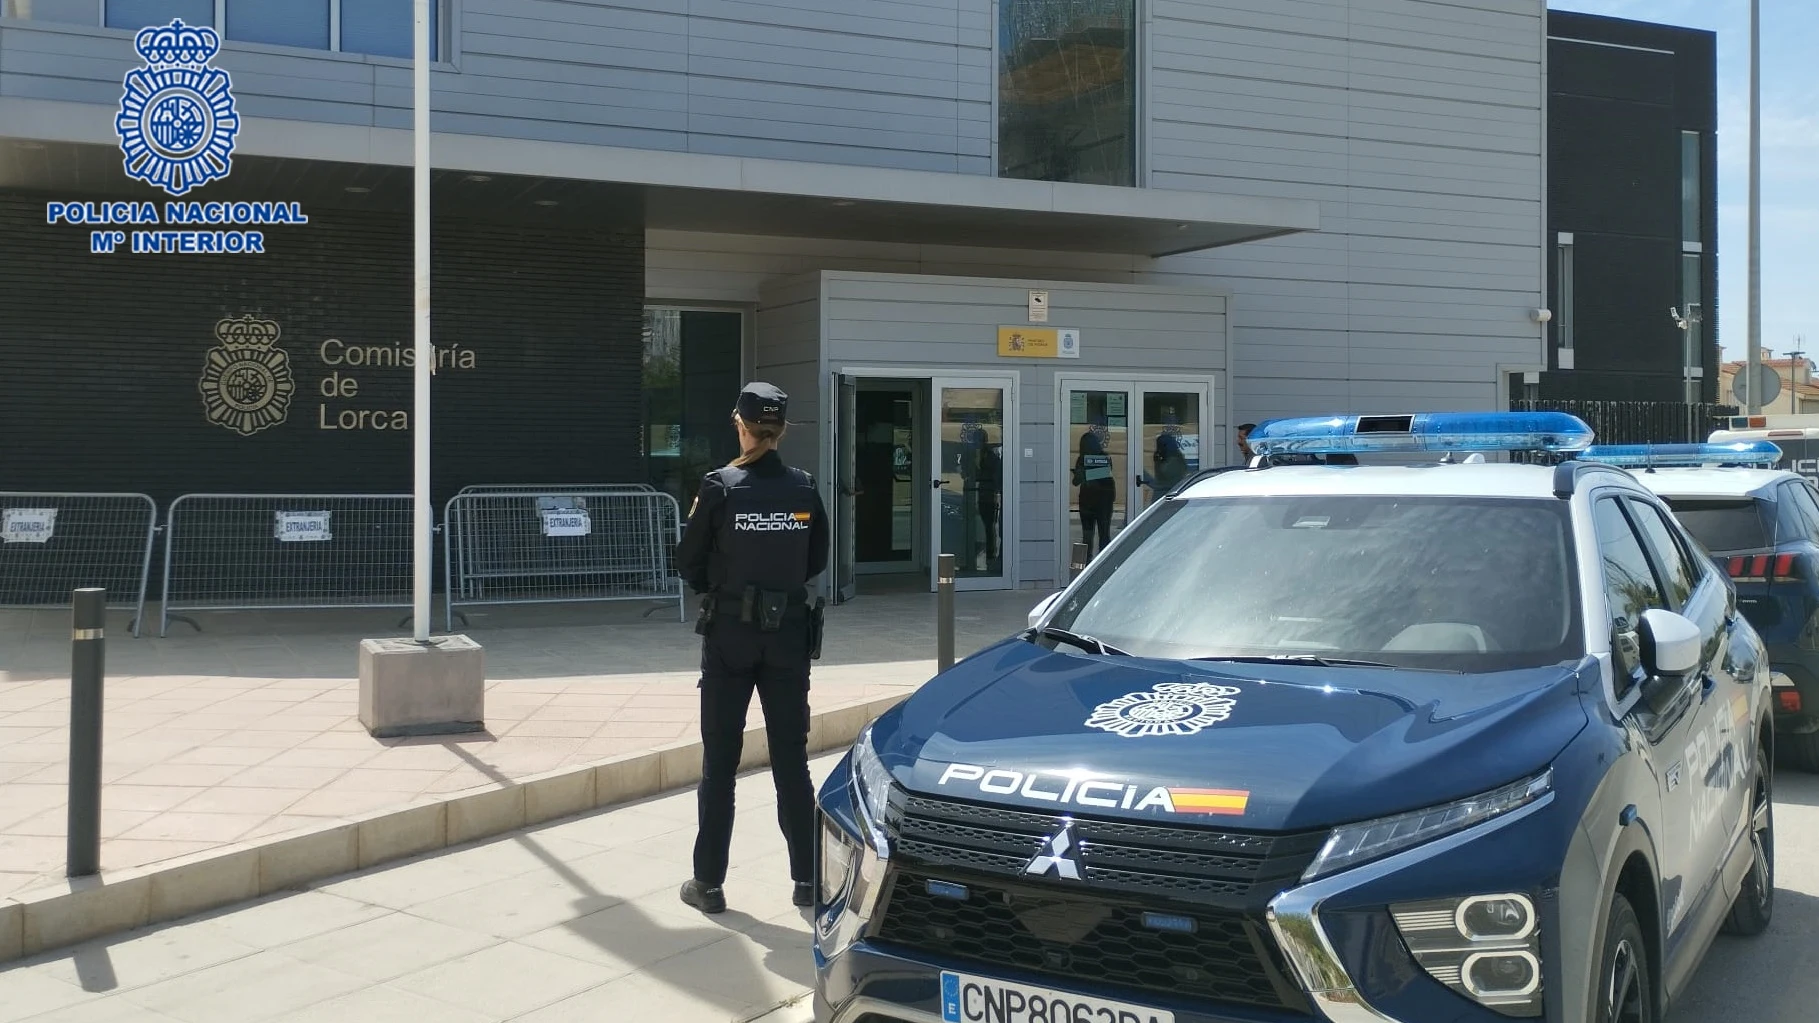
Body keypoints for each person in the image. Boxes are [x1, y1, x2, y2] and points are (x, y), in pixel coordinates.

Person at [674, 382, 829, 915]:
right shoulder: (803, 488)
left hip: (730, 639)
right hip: (786, 635)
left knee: (721, 763)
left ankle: (708, 884)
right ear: (781, 430)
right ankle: (807, 880)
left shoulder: (720, 487)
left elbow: (687, 560)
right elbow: (815, 562)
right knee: (791, 761)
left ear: (739, 425)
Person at [1073, 428, 1116, 555]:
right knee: (1100, 536)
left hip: (1096, 502)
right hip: (1095, 502)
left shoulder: (1101, 458)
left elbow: (1105, 473)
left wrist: (1084, 474)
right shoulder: (1087, 458)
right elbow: (1076, 481)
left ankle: (1082, 568)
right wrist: (1083, 475)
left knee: (1089, 537)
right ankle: (1098, 565)